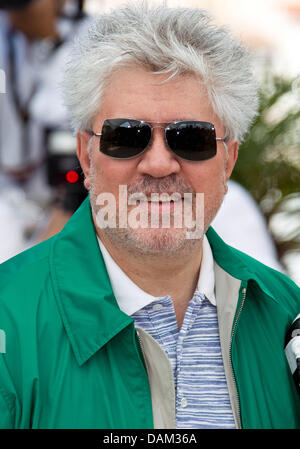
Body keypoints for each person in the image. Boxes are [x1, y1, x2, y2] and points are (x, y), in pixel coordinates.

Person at [0, 2, 299, 430]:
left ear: (228, 161)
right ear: (86, 154)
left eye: (191, 139)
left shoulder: (285, 315)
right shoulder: (8, 319)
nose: (158, 164)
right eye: (126, 136)